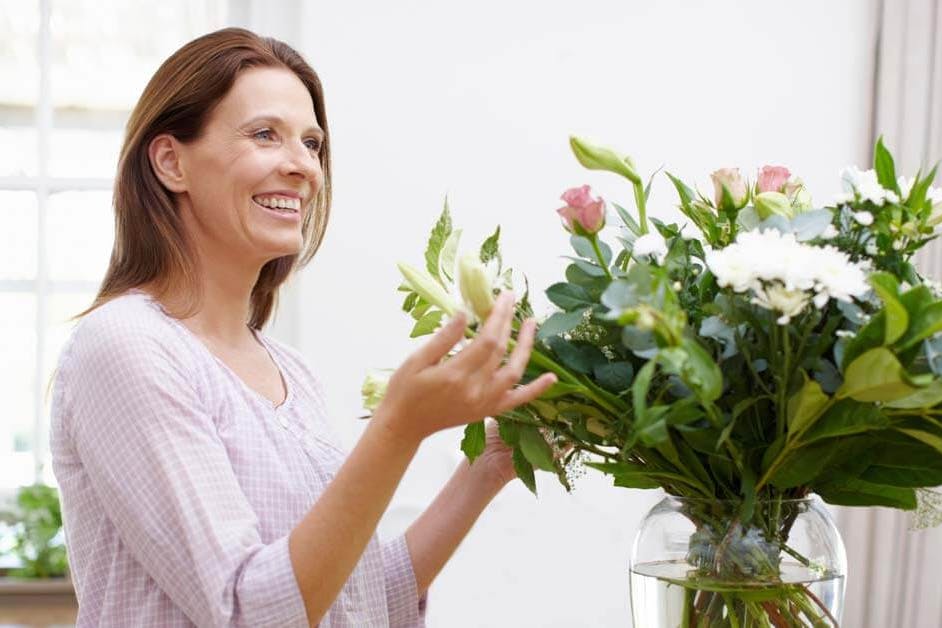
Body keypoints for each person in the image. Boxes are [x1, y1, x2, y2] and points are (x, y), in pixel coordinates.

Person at [49, 27, 556, 627]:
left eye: (312, 144)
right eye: (265, 135)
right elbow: (245, 613)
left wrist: (488, 467)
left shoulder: (290, 372)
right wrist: (397, 428)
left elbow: (351, 603)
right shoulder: (127, 346)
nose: (303, 168)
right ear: (171, 162)